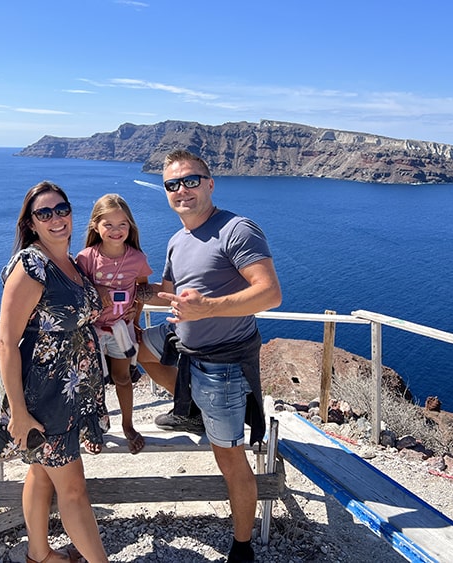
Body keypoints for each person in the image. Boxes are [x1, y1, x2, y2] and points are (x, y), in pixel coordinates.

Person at [136, 150, 282, 563]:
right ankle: (191, 411)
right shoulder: (177, 240)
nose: (182, 190)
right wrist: (110, 284)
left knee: (229, 457)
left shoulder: (236, 230)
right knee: (136, 350)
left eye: (191, 180)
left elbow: (270, 293)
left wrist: (210, 307)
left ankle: (241, 547)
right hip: (182, 343)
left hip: (223, 361)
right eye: (172, 184)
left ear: (210, 183)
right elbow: (163, 292)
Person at [0, 180, 109, 563]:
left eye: (62, 209)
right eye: (44, 213)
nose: (56, 218)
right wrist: (19, 414)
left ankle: (39, 555)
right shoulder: (30, 265)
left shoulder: (71, 264)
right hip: (44, 399)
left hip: (71, 392)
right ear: (31, 223)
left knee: (41, 473)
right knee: (73, 492)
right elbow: (6, 342)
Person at [76, 193, 153, 455]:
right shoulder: (85, 258)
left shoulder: (137, 258)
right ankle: (93, 427)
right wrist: (96, 288)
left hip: (121, 328)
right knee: (92, 382)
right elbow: (77, 291)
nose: (116, 230)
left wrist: (136, 314)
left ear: (130, 226)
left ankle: (128, 425)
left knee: (122, 378)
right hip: (92, 332)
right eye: (108, 224)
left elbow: (142, 288)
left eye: (122, 224)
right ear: (95, 226)